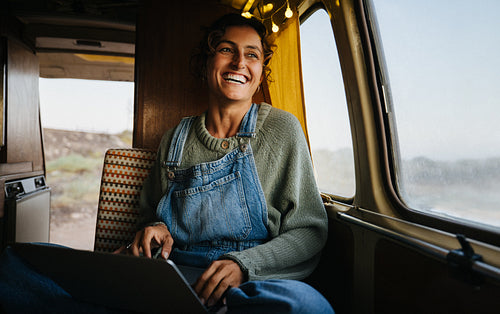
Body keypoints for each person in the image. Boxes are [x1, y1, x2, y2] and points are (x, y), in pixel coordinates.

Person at [121, 13, 333, 313]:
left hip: (253, 281)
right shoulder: (173, 139)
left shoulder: (282, 129)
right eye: (226, 50)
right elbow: (149, 217)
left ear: (260, 73)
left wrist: (243, 265)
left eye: (252, 54)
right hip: (179, 274)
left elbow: (309, 231)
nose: (238, 63)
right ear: (207, 63)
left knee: (308, 307)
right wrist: (155, 228)